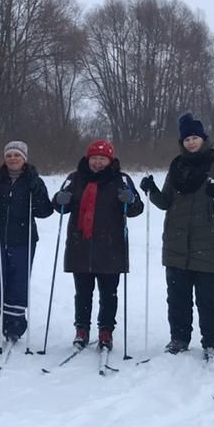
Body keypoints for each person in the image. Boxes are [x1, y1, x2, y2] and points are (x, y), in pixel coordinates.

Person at [139, 113, 214, 360]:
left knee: (209, 300)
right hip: (176, 243)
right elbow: (165, 202)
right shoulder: (177, 166)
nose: (191, 143)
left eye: (195, 138)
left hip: (209, 242)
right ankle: (179, 339)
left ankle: (212, 343)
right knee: (177, 298)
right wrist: (151, 190)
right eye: (186, 139)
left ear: (203, 139)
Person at [51, 139, 142, 353]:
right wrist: (60, 200)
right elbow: (59, 206)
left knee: (108, 293)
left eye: (102, 158)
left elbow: (136, 208)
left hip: (110, 246)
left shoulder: (122, 179)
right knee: (82, 292)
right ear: (88, 159)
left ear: (109, 160)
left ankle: (106, 331)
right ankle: (81, 330)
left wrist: (129, 200)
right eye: (95, 158)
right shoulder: (75, 179)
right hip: (80, 245)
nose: (98, 163)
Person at [0, 140, 53, 345]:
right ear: (4, 158)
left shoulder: (33, 180)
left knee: (18, 282)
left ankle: (14, 325)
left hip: (23, 240)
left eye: (17, 155)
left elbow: (45, 211)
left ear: (24, 158)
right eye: (9, 155)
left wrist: (37, 192)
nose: (13, 158)